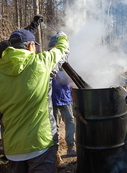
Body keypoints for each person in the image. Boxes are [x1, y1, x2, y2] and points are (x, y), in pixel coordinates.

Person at [0, 28, 69, 173]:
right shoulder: (42, 62)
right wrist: (62, 37)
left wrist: (4, 115)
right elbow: (62, 50)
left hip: (13, 149)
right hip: (41, 143)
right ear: (31, 46)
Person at [48, 35, 76, 168]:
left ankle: (71, 146)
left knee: (70, 123)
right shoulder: (48, 60)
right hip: (53, 101)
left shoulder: (66, 62)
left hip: (66, 99)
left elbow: (69, 80)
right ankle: (55, 153)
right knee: (55, 128)